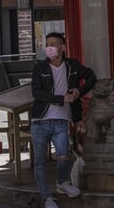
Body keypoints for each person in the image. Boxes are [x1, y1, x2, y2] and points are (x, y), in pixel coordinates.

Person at [30, 32, 97, 208]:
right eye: (47, 44)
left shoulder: (72, 66)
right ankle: (47, 198)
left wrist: (78, 91)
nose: (49, 48)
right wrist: (61, 99)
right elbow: (36, 92)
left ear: (62, 48)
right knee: (40, 162)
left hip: (61, 121)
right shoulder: (40, 68)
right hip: (40, 121)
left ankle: (62, 183)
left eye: (53, 44)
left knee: (64, 155)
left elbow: (91, 77)